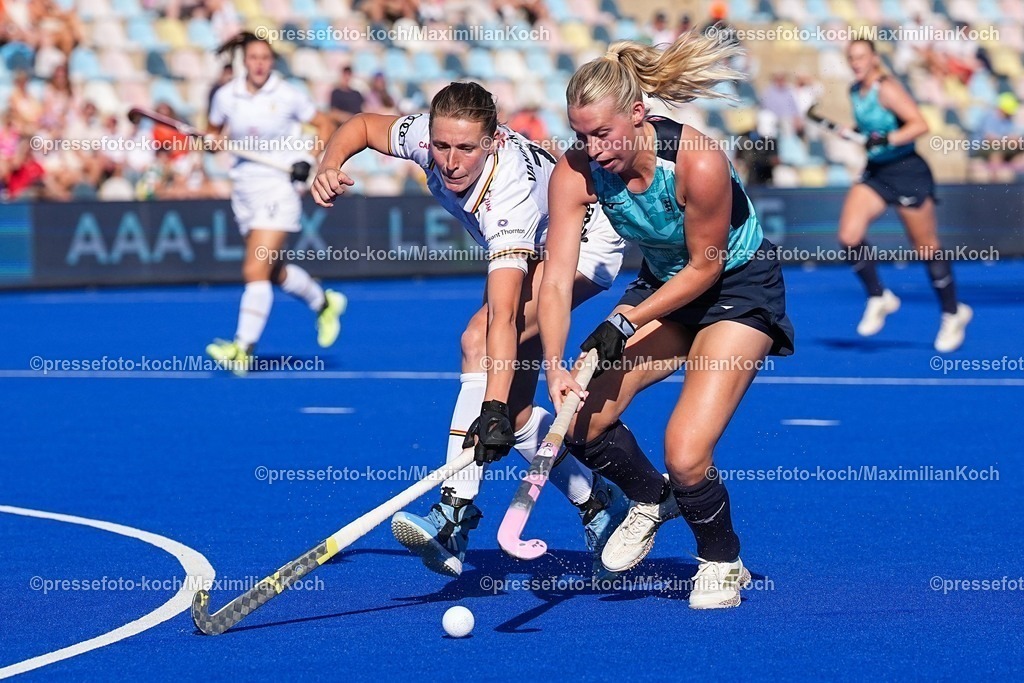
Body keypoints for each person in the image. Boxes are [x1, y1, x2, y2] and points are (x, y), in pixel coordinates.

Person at [311, 81, 629, 578]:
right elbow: (363, 126)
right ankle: (598, 502)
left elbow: (501, 316)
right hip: (538, 244)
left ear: (494, 140)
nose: (450, 161)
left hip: (585, 245)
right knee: (520, 414)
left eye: (465, 148)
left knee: (478, 341)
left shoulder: (509, 193)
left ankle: (454, 512)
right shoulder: (428, 136)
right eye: (441, 146)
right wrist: (330, 164)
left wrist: (492, 408)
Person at [537, 33, 795, 609]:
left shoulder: (698, 161)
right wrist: (556, 366)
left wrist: (624, 323)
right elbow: (556, 278)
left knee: (685, 451)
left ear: (637, 113)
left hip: (735, 288)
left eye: (603, 133)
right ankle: (652, 500)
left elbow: (706, 269)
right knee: (579, 417)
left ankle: (722, 560)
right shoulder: (575, 172)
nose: (593, 148)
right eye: (581, 136)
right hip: (662, 289)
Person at [205, 32, 345, 374]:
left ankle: (242, 348)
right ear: (244, 61)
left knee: (254, 270)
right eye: (253, 58)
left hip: (278, 189)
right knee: (274, 270)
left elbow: (324, 123)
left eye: (265, 59)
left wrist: (311, 161)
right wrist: (210, 142)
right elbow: (213, 134)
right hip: (244, 191)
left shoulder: (286, 95)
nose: (259, 65)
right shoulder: (225, 96)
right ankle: (323, 302)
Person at [837, 39, 971, 352]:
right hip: (877, 172)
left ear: (873, 59)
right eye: (851, 58)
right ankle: (879, 296)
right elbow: (870, 126)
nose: (856, 63)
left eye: (861, 57)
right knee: (848, 236)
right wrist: (855, 132)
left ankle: (953, 313)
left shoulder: (888, 88)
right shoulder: (854, 90)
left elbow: (919, 124)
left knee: (926, 248)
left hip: (907, 172)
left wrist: (886, 138)